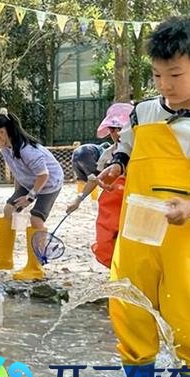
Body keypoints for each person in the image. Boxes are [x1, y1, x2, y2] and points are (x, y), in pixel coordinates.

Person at [97, 17, 190, 377]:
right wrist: (117, 165)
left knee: (187, 316)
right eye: (157, 74)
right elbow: (129, 145)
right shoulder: (143, 112)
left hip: (185, 242)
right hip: (138, 232)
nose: (165, 85)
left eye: (175, 75)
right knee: (128, 307)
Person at [0, 111, 64, 281]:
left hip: (49, 184)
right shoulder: (6, 148)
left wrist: (30, 197)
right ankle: (4, 259)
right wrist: (16, 199)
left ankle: (35, 267)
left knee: (36, 219)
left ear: (2, 133)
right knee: (8, 209)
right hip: (29, 183)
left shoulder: (28, 150)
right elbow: (18, 173)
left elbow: (43, 175)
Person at [66, 103, 132, 268]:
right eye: (112, 129)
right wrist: (79, 199)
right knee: (106, 242)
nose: (116, 133)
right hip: (110, 207)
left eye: (120, 128)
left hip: (133, 205)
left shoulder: (142, 151)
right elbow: (94, 178)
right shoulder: (108, 154)